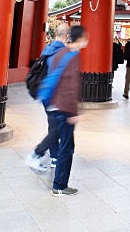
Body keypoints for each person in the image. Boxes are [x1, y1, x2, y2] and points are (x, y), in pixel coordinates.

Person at [48, 25, 88, 196]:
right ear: (80, 39)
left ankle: (59, 183)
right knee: (67, 147)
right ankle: (60, 185)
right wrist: (73, 112)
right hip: (64, 109)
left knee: (62, 144)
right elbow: (70, 87)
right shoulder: (72, 57)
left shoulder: (59, 53)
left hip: (54, 105)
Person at [25, 23, 70, 174]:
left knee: (52, 125)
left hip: (44, 94)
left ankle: (54, 156)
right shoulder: (62, 52)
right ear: (66, 37)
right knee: (58, 127)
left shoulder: (47, 49)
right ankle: (39, 154)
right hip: (54, 95)